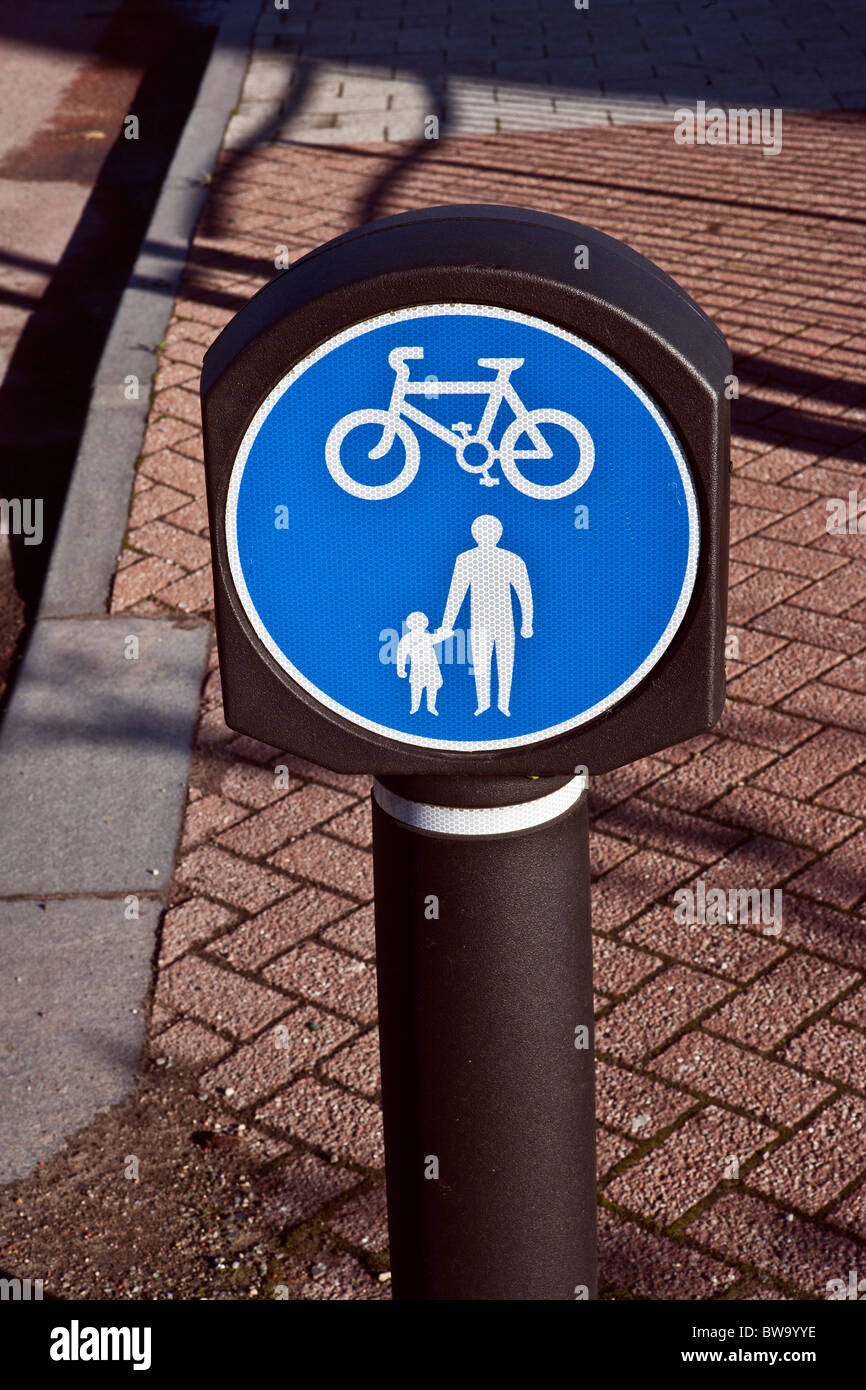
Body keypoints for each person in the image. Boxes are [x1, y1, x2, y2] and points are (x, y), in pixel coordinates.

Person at [440, 515, 533, 716]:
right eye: (481, 532)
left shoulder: (512, 559)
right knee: (481, 664)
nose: (486, 535)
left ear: (499, 534)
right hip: (479, 622)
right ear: (475, 534)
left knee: (505, 663)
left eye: (490, 531)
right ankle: (483, 704)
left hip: (505, 622)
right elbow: (456, 594)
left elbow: (524, 593)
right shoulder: (466, 559)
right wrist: (447, 624)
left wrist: (527, 623)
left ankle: (504, 705)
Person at [396, 612, 447, 715]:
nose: (420, 627)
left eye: (422, 624)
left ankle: (431, 707)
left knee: (432, 687)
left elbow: (438, 638)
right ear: (410, 625)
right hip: (417, 668)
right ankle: (414, 708)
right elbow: (401, 655)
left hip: (431, 667)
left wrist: (446, 633)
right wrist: (400, 669)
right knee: (416, 688)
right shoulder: (407, 639)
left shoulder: (427, 636)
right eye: (417, 624)